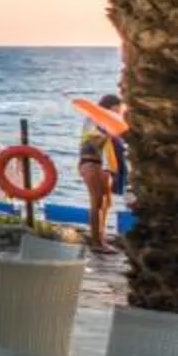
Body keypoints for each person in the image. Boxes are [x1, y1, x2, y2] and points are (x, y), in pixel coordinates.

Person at [77, 93, 128, 255]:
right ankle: (96, 242)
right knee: (97, 203)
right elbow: (93, 141)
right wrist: (111, 134)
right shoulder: (94, 119)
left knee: (106, 204)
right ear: (110, 107)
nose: (119, 112)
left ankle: (101, 239)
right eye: (117, 109)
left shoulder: (106, 122)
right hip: (90, 162)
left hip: (102, 165)